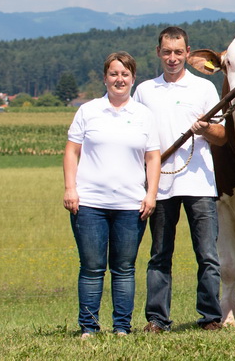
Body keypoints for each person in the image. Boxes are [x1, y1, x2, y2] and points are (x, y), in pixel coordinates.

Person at [133, 26, 226, 332]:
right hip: (159, 185)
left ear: (188, 53)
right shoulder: (145, 90)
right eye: (167, 52)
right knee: (160, 254)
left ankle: (211, 317)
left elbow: (222, 136)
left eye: (178, 52)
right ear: (158, 53)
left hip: (200, 183)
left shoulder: (203, 89)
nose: (172, 58)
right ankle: (157, 319)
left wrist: (205, 130)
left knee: (208, 255)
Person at [63, 51, 160, 338]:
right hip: (90, 203)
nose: (120, 79)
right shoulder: (88, 111)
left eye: (125, 74)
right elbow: (72, 151)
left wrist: (150, 194)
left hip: (131, 204)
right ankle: (89, 327)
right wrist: (70, 188)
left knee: (124, 269)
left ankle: (122, 327)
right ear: (105, 78)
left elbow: (153, 158)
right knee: (92, 268)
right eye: (114, 74)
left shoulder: (143, 115)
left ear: (133, 78)